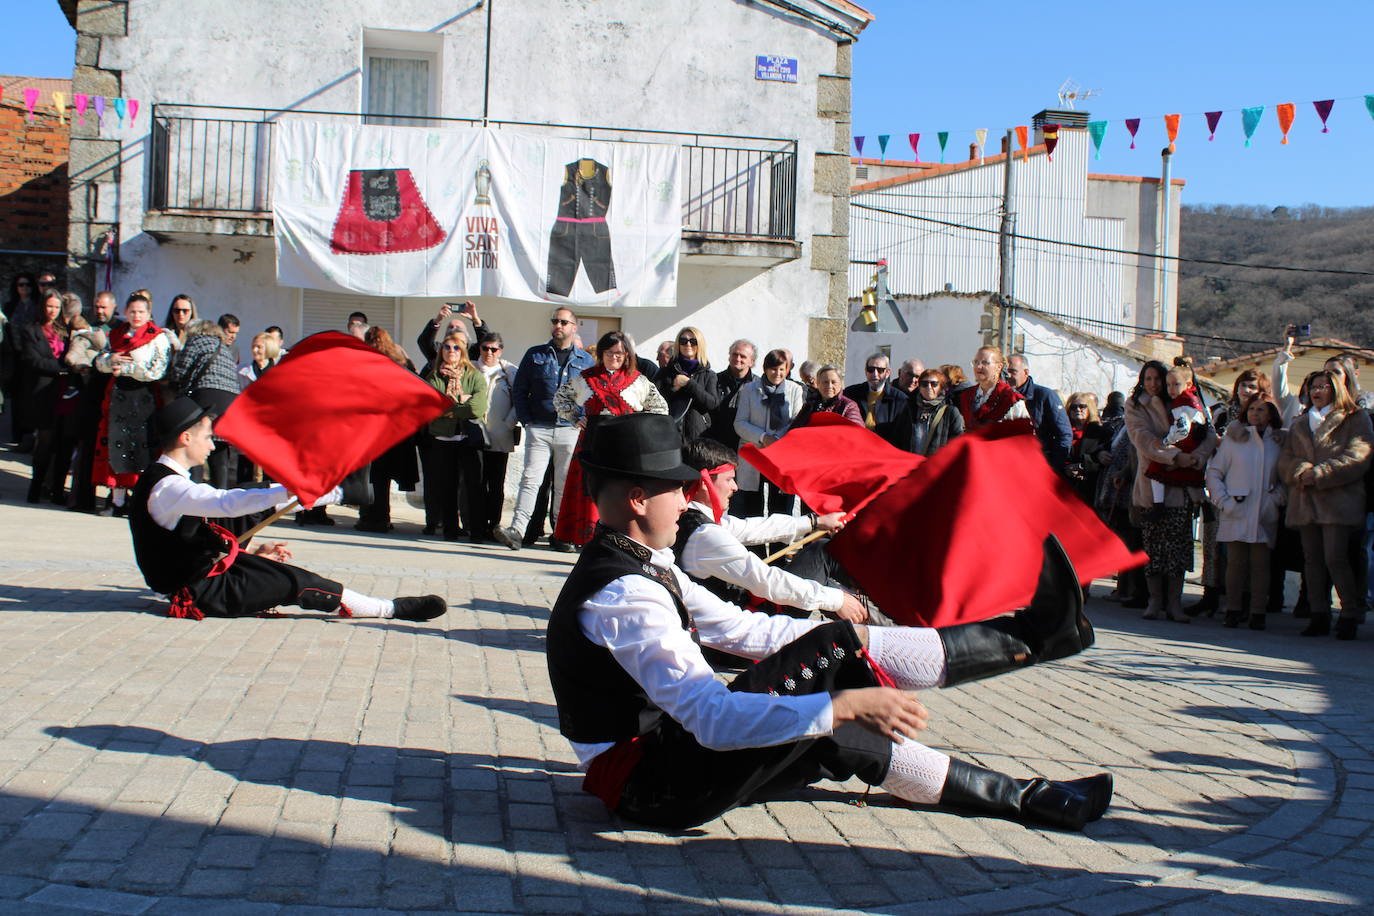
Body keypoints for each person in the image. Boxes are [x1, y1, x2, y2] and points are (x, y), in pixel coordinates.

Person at [545, 411, 1112, 832]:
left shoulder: (645, 562)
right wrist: (843, 695)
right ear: (640, 500)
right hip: (652, 787)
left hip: (663, 766)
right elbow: (712, 721)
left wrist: (855, 648)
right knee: (829, 692)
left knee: (837, 733)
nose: (688, 497)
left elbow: (741, 629)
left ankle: (1031, 797)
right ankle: (1033, 637)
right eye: (677, 487)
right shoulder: (624, 594)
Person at [129, 397, 445, 622]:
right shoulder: (167, 488)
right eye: (208, 437)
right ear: (186, 438)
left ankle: (339, 491)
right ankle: (387, 609)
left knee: (253, 496)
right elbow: (225, 503)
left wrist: (250, 553)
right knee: (294, 581)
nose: (213, 445)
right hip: (202, 589)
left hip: (202, 569)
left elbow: (214, 521)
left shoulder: (167, 480)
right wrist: (293, 487)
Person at [676, 438, 863, 623]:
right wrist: (836, 601)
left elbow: (754, 528)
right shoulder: (704, 535)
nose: (735, 487)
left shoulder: (693, 519)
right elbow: (768, 581)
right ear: (704, 483)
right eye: (730, 479)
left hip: (746, 610)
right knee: (824, 560)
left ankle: (866, 602)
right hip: (750, 625)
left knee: (822, 558)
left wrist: (815, 521)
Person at [1279, 370, 1373, 639]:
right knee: (1312, 560)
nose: (1317, 391)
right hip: (1304, 499)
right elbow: (1285, 459)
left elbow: (1359, 454)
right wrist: (1300, 471)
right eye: (1313, 386)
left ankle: (1349, 613)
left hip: (1338, 501)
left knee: (1336, 557)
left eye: (1323, 386)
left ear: (1336, 389)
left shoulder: (1354, 417)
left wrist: (1320, 473)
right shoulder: (1300, 422)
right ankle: (1318, 613)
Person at [551, 330, 668, 547]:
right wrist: (576, 417)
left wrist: (639, 427)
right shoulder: (586, 378)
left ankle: (621, 541)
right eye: (609, 353)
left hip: (625, 445)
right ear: (601, 353)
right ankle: (588, 541)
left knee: (622, 493)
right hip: (593, 443)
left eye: (620, 354)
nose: (614, 358)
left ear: (627, 356)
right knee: (591, 492)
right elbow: (560, 398)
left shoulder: (638, 381)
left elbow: (660, 408)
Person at [494, 307, 594, 551]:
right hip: (538, 427)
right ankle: (517, 530)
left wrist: (581, 419)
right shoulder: (535, 355)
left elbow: (590, 395)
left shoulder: (585, 360)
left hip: (569, 430)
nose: (557, 325)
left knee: (563, 485)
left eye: (563, 322)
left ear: (574, 327)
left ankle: (561, 535)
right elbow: (519, 390)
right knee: (530, 479)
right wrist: (526, 419)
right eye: (555, 321)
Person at [1125, 360, 1217, 622]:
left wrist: (1196, 457)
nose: (1153, 384)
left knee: (1179, 546)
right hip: (1152, 481)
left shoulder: (1182, 399)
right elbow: (1142, 439)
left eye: (1158, 379)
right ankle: (1154, 601)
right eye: (1148, 379)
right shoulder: (1135, 405)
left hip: (1183, 485)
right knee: (1153, 545)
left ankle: (1174, 603)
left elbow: (1208, 433)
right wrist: (1175, 456)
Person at [1206, 396, 1286, 630]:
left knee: (1261, 564)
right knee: (1235, 563)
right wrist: (1224, 501)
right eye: (1251, 409)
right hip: (1236, 508)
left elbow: (1285, 479)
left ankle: (1258, 612)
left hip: (1264, 511)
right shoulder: (1235, 440)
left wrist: (1275, 500)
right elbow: (1215, 472)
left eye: (1261, 410)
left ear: (1271, 413)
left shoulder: (1278, 441)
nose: (1255, 413)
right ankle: (1232, 609)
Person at [94, 292, 174, 516]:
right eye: (132, 311)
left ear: (148, 314)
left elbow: (158, 370)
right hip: (118, 399)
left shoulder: (157, 337)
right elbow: (99, 361)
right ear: (126, 312)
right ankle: (117, 501)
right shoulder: (117, 334)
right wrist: (112, 362)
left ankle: (141, 503)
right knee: (117, 448)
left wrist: (126, 368)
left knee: (141, 450)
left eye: (141, 312)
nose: (136, 316)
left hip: (143, 398)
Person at [424, 329, 489, 541]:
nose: (451, 351)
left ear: (462, 351)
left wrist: (451, 408)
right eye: (446, 347)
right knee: (447, 487)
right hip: (443, 440)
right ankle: (450, 530)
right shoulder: (433, 376)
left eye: (455, 347)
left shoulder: (474, 375)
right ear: (441, 350)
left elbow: (477, 408)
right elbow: (433, 407)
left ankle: (477, 531)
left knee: (474, 487)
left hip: (468, 439)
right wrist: (462, 401)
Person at [355, 328, 421, 533]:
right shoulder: (400, 361)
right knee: (382, 477)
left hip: (372, 428)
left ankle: (371, 517)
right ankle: (383, 517)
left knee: (372, 477)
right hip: (395, 429)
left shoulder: (367, 363)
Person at [18, 291, 79, 503]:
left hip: (65, 393)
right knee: (45, 442)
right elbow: (32, 360)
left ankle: (57, 490)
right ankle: (35, 488)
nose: (52, 311)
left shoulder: (65, 331)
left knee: (64, 444)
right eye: (49, 306)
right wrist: (62, 368)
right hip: (43, 392)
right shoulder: (31, 329)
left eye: (55, 307)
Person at [733, 348, 807, 517]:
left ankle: (780, 544)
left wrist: (777, 439)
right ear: (765, 368)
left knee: (781, 510)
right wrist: (763, 437)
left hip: (782, 455)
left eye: (782, 369)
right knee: (752, 509)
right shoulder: (749, 389)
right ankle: (753, 544)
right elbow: (740, 422)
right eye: (774, 369)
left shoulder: (795, 390)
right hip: (754, 454)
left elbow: (796, 421)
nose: (778, 373)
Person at [168, 319, 241, 488]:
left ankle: (193, 497)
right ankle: (220, 503)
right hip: (231, 402)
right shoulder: (225, 349)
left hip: (206, 397)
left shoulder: (197, 341)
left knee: (196, 448)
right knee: (220, 454)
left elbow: (180, 371)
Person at [475, 333, 519, 542]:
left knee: (496, 484)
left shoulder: (509, 372)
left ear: (500, 350)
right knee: (476, 484)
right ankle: (476, 525)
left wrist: (508, 423)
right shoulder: (472, 369)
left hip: (500, 436)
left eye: (494, 349)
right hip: (475, 436)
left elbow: (521, 397)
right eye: (485, 348)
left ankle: (493, 525)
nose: (489, 353)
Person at [1007, 355, 1073, 471]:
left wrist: (1052, 467)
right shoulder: (998, 396)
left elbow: (1064, 434)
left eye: (1013, 371)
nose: (1008, 376)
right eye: (1005, 372)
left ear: (1025, 372)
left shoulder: (1045, 396)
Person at [655, 326, 720, 442]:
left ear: (700, 345)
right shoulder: (665, 372)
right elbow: (654, 403)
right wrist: (673, 389)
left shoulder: (709, 375)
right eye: (683, 341)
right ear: (678, 345)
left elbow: (713, 404)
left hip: (698, 436)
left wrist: (689, 384)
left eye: (693, 341)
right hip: (669, 435)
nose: (688, 344)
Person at [843, 353, 912, 451]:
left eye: (880, 370)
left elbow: (903, 436)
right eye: (871, 370)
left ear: (887, 373)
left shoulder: (900, 400)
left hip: (885, 454)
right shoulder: (851, 393)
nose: (875, 374)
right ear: (865, 371)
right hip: (855, 450)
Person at [954, 347, 1029, 430]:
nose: (978, 366)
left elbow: (1023, 438)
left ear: (999, 367)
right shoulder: (966, 396)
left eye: (985, 363)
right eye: (976, 362)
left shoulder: (1012, 399)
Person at [1064, 393, 1112, 508]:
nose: (1078, 409)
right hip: (1065, 484)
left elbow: (1103, 458)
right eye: (1073, 407)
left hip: (1090, 487)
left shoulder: (1100, 431)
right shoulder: (1062, 430)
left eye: (1082, 406)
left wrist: (1081, 466)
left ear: (1089, 408)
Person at [707, 338, 756, 449]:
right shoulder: (714, 380)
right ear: (729, 356)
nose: (738, 359)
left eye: (743, 356)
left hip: (745, 445)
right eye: (734, 354)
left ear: (752, 362)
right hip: (716, 443)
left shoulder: (758, 386)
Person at [416, 301, 496, 369]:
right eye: (450, 327)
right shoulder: (438, 349)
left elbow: (487, 343)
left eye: (458, 327)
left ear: (466, 335)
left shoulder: (472, 351)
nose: (454, 329)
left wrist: (476, 321)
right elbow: (424, 342)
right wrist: (437, 321)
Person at [909, 368, 964, 457]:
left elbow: (957, 444)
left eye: (934, 384)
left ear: (941, 387)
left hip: (936, 466)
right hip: (911, 465)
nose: (929, 387)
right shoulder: (910, 409)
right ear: (919, 387)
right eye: (924, 384)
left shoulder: (950, 412)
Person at [791, 364, 862, 428]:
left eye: (833, 382)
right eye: (825, 382)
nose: (829, 386)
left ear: (840, 384)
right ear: (818, 383)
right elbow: (795, 428)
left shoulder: (849, 406)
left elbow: (856, 433)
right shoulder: (810, 405)